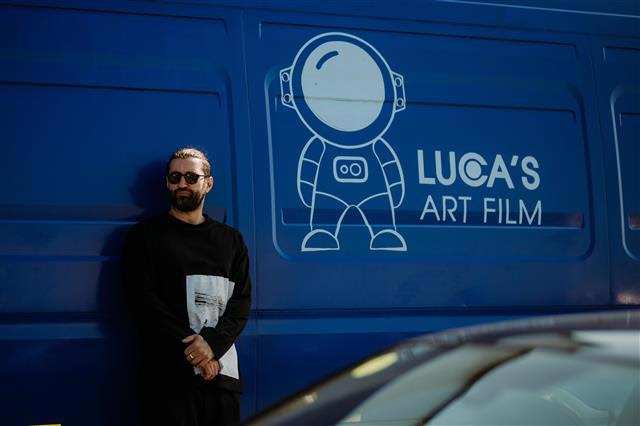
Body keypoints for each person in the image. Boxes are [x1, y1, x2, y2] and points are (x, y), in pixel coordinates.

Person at [123, 147, 251, 426]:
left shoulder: (231, 241)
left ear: (208, 183)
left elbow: (240, 304)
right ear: (167, 183)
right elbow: (143, 303)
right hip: (168, 381)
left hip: (221, 378)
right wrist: (199, 354)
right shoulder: (145, 237)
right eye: (175, 177)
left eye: (191, 177)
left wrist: (212, 346)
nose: (182, 183)